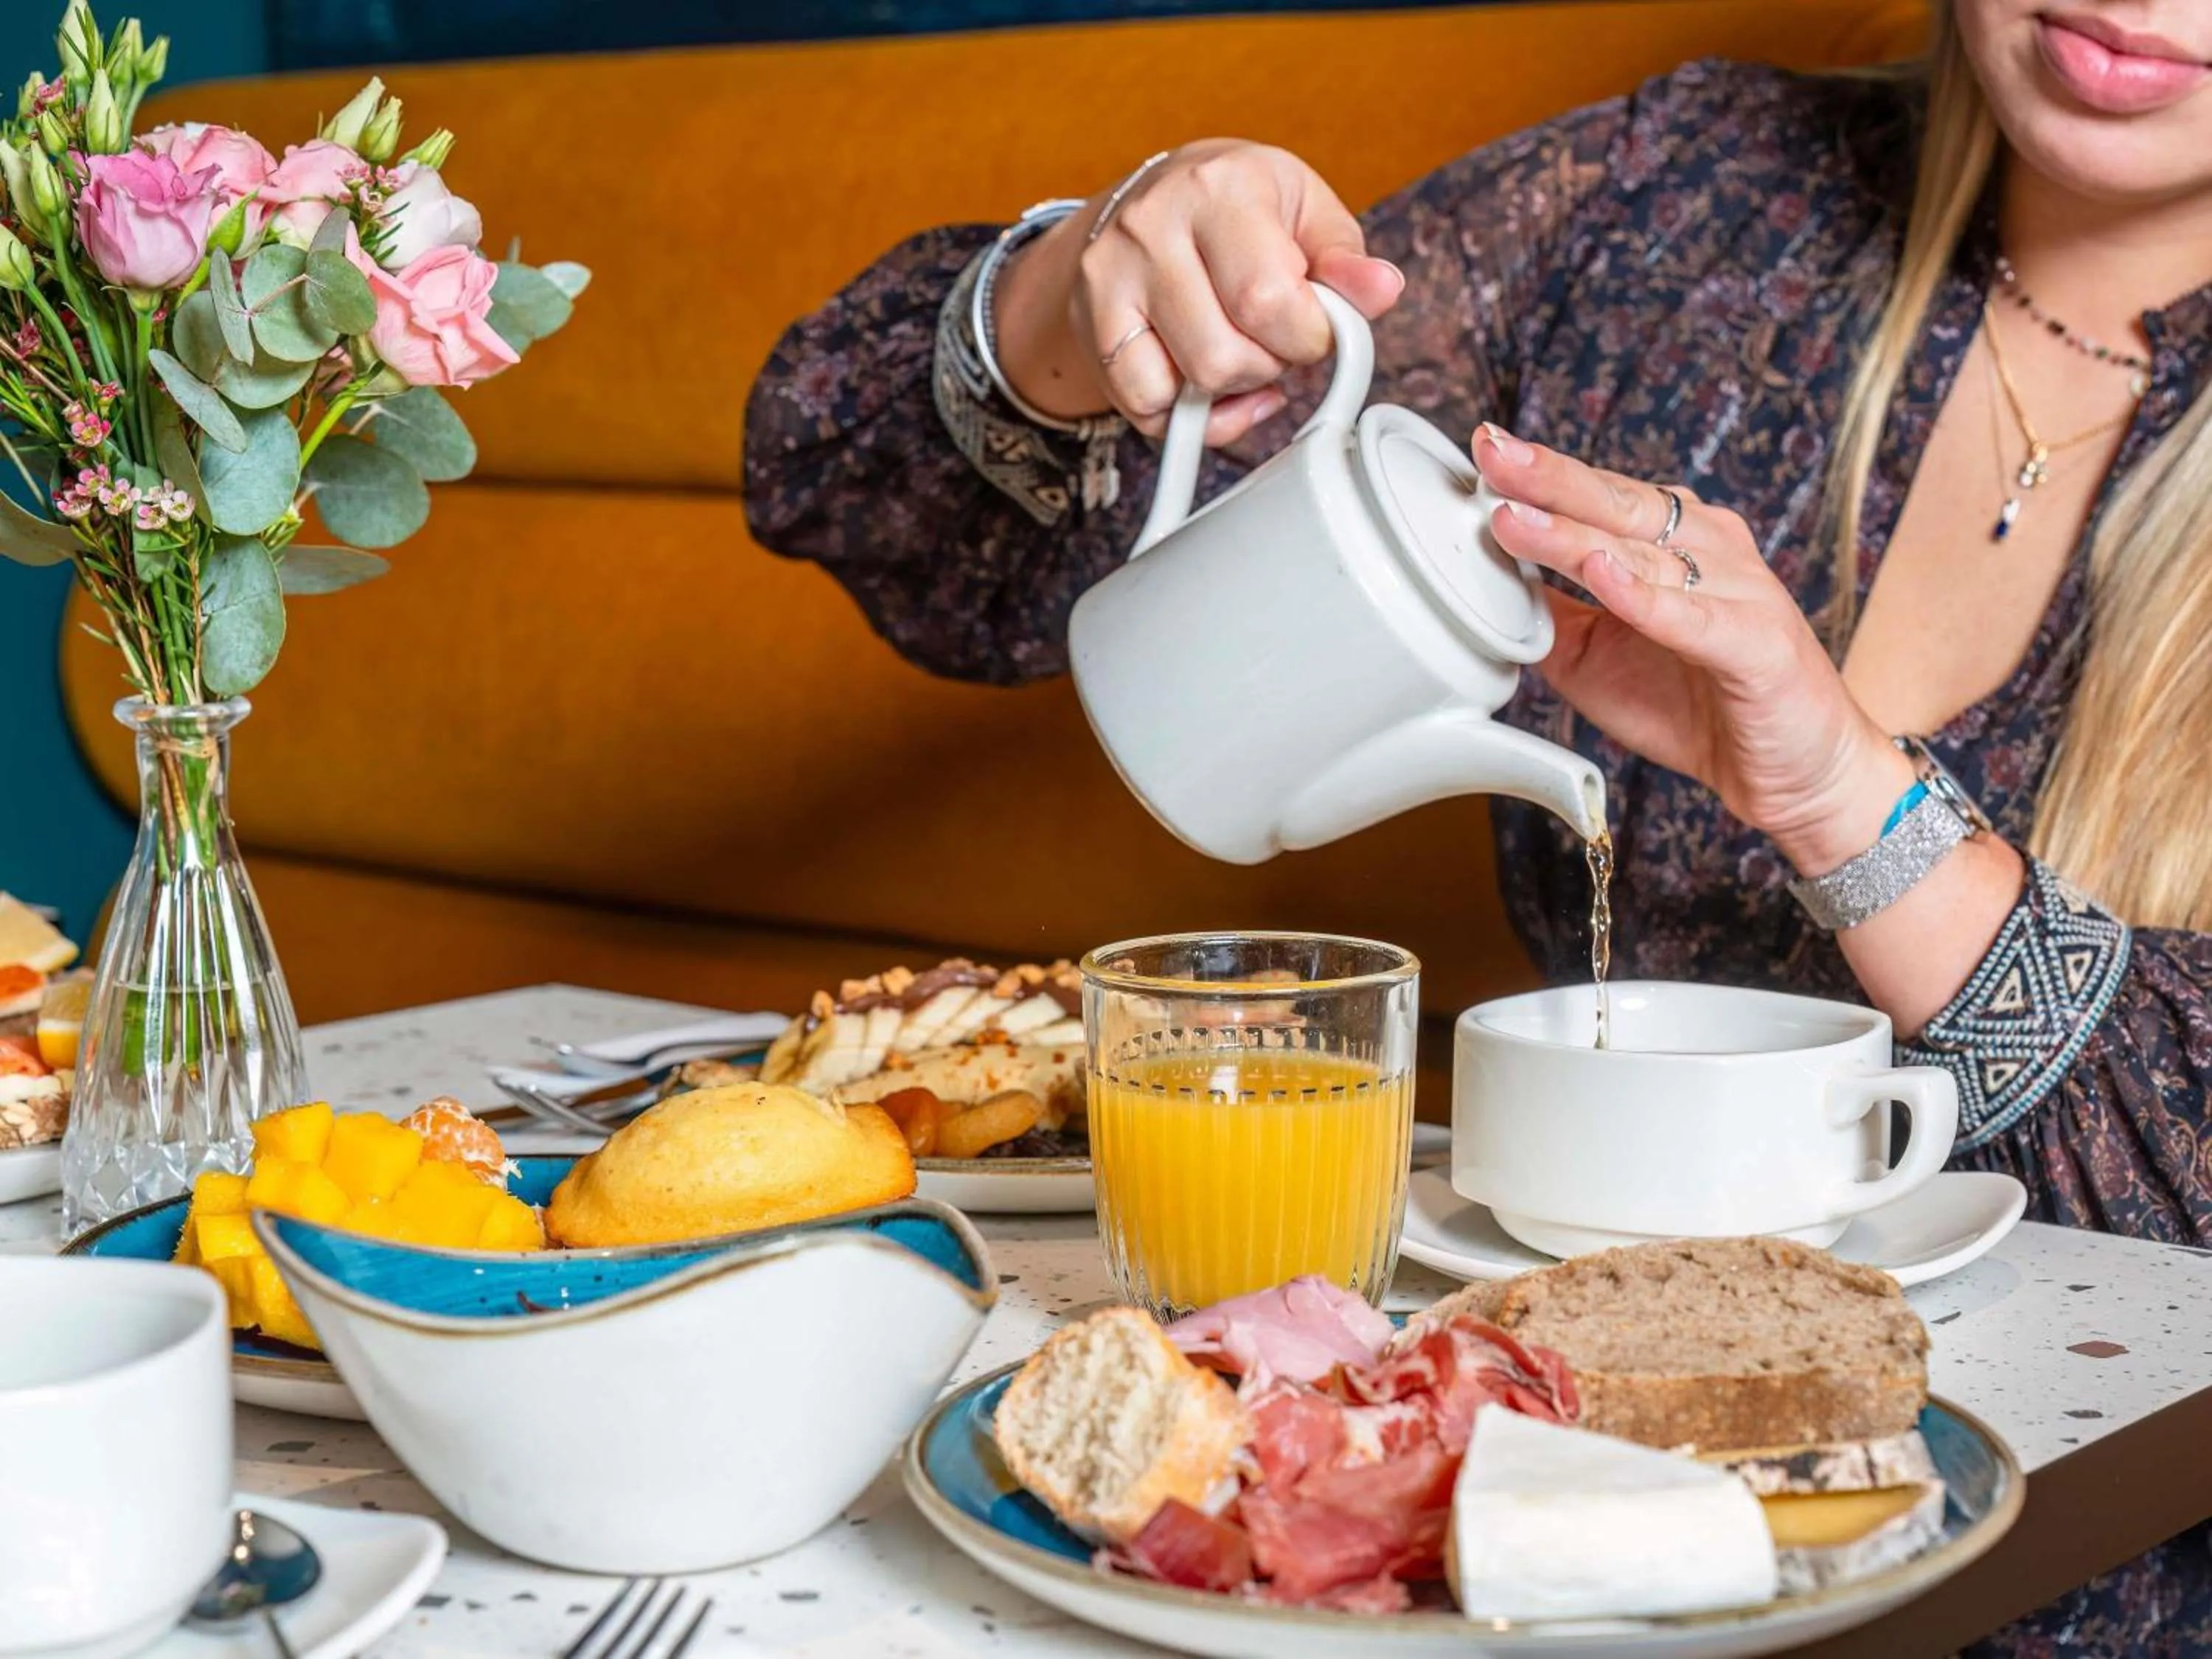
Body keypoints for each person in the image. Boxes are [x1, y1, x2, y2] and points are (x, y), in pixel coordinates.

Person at [743, 1, 2212, 1646]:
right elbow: (868, 496)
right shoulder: (1692, 196)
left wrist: (1843, 797)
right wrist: (1093, 305)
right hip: (1536, 1478)